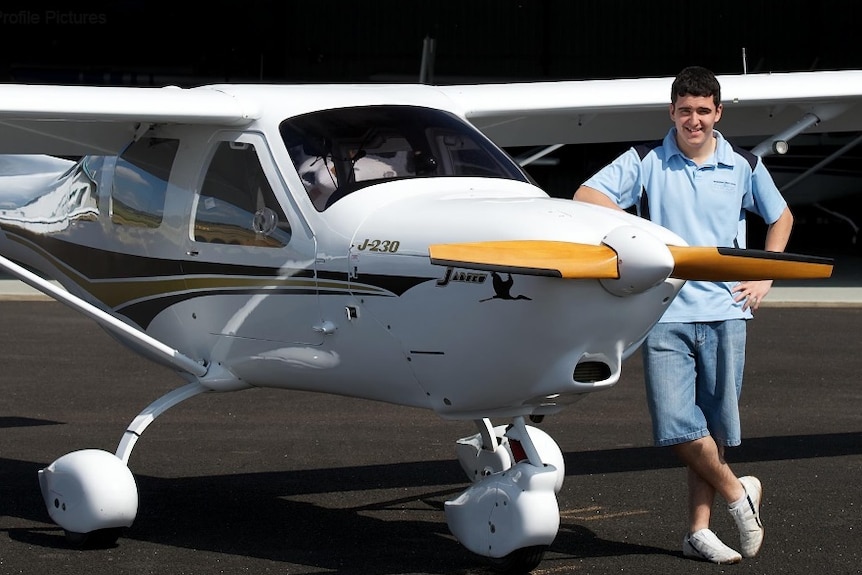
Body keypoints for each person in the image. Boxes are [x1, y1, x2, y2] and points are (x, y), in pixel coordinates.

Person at [574, 65, 793, 564]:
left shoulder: (744, 165)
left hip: (726, 312)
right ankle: (740, 495)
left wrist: (766, 275)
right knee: (677, 426)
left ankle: (699, 532)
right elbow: (587, 197)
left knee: (712, 429)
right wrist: (635, 236)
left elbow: (781, 217)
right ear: (671, 112)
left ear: (717, 113)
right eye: (684, 111)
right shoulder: (648, 160)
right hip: (665, 313)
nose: (693, 120)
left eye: (702, 111)